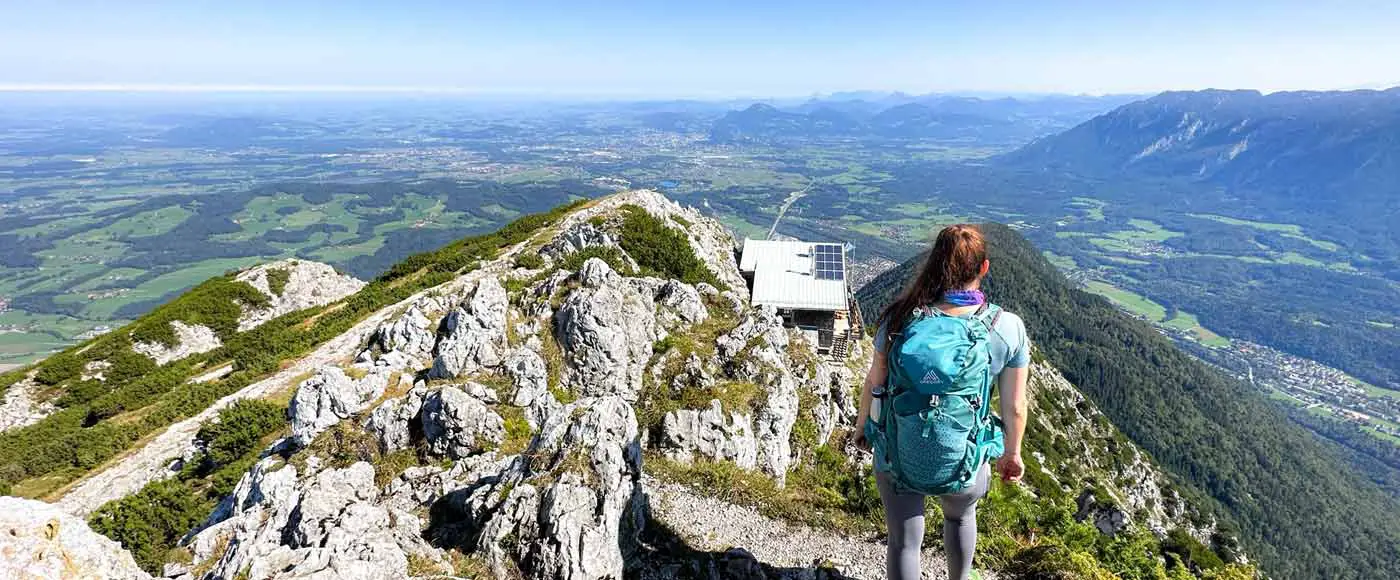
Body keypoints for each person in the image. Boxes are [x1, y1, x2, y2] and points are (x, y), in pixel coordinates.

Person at [854, 224, 1031, 580]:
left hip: (897, 454)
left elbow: (874, 382)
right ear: (984, 268)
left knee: (904, 542)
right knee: (961, 517)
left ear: (934, 264)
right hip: (963, 461)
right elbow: (1014, 407)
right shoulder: (1006, 327)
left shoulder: (899, 319)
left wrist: (862, 430)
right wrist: (1012, 453)